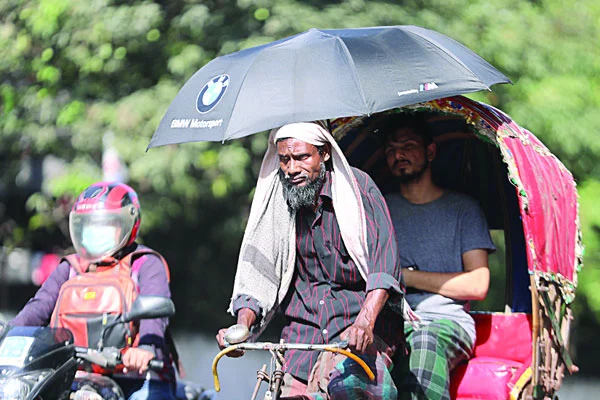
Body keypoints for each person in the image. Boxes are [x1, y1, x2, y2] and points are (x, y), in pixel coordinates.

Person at [216, 122, 409, 399]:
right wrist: (241, 327)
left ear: (325, 153)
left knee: (346, 389)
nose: (292, 168)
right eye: (284, 159)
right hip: (300, 341)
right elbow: (258, 277)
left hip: (358, 332)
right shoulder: (278, 205)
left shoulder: (358, 190)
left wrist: (365, 322)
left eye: (302, 157)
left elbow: (384, 266)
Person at [10, 182, 177, 400]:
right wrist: (10, 332)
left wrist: (145, 349)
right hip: (74, 376)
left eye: (105, 225)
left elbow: (155, 316)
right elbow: (38, 307)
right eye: (88, 226)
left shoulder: (144, 263)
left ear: (128, 223)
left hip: (137, 378)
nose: (95, 232)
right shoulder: (71, 267)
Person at [378, 113, 496, 400]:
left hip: (445, 321)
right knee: (353, 359)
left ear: (430, 151)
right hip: (392, 320)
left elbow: (478, 284)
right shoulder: (380, 207)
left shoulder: (463, 209)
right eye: (392, 149)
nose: (399, 154)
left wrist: (408, 277)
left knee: (425, 341)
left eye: (407, 146)